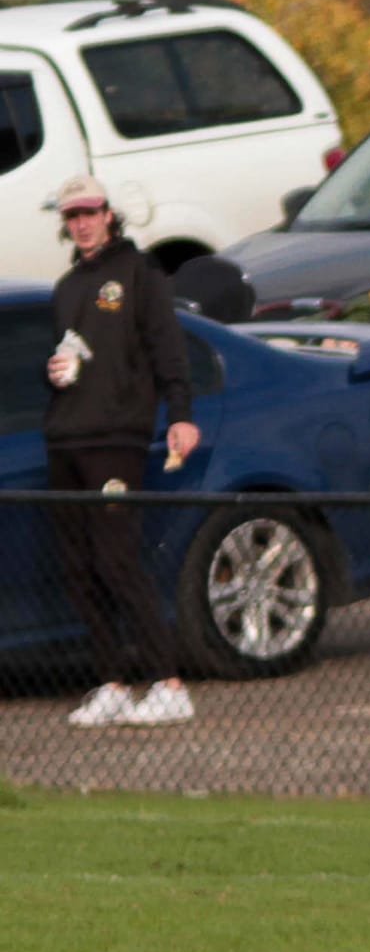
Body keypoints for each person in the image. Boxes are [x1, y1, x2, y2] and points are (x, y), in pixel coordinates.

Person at [43, 176, 202, 728]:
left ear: (109, 214)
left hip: (117, 439)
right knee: (78, 567)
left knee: (117, 558)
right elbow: (75, 358)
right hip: (66, 437)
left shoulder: (140, 273)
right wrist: (57, 375)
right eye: (72, 216)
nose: (81, 223)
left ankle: (167, 682)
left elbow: (167, 347)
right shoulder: (66, 287)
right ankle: (110, 680)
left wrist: (180, 413)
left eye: (89, 212)